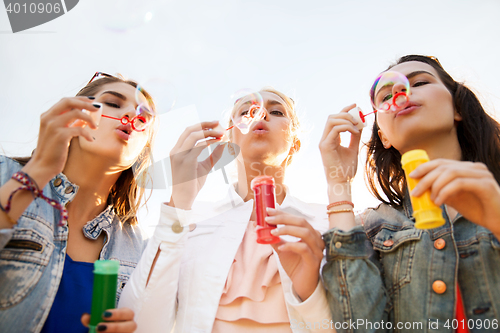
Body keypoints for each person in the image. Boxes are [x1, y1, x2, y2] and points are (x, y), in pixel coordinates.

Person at [119, 88, 335, 332]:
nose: (260, 114)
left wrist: (310, 293)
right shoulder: (190, 221)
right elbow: (141, 324)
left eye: (275, 111)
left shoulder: (328, 221)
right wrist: (178, 202)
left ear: (294, 144)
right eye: (246, 112)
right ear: (230, 140)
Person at [319, 55, 500, 332]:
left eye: (419, 82)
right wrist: (338, 182)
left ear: (457, 108)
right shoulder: (372, 228)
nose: (401, 93)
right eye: (386, 96)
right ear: (385, 137)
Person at [0, 72, 158, 333]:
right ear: (74, 114)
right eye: (114, 104)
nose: (131, 115)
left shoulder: (140, 249)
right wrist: (39, 170)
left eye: (143, 118)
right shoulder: (5, 175)